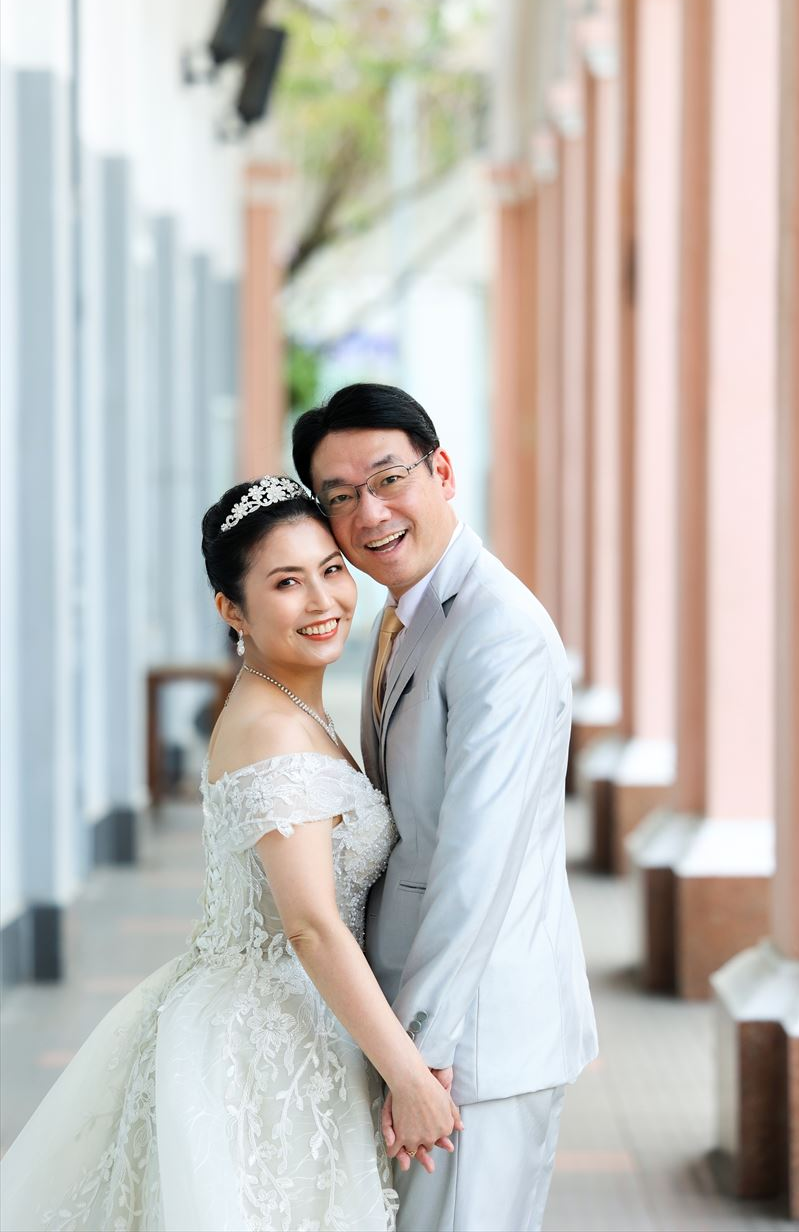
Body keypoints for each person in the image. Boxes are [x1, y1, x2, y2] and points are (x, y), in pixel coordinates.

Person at [0, 476, 460, 1232]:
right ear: (231, 609)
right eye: (286, 582)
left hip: (296, 1019)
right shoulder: (273, 728)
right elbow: (310, 926)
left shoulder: (290, 701)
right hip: (266, 1047)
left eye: (331, 569)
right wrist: (408, 1076)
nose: (322, 600)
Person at [292, 384, 599, 1232]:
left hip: (474, 1041)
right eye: (340, 497)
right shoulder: (407, 617)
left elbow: (474, 864)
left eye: (389, 479)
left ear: (443, 472)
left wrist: (417, 1060)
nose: (370, 513)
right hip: (429, 1028)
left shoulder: (498, 632)